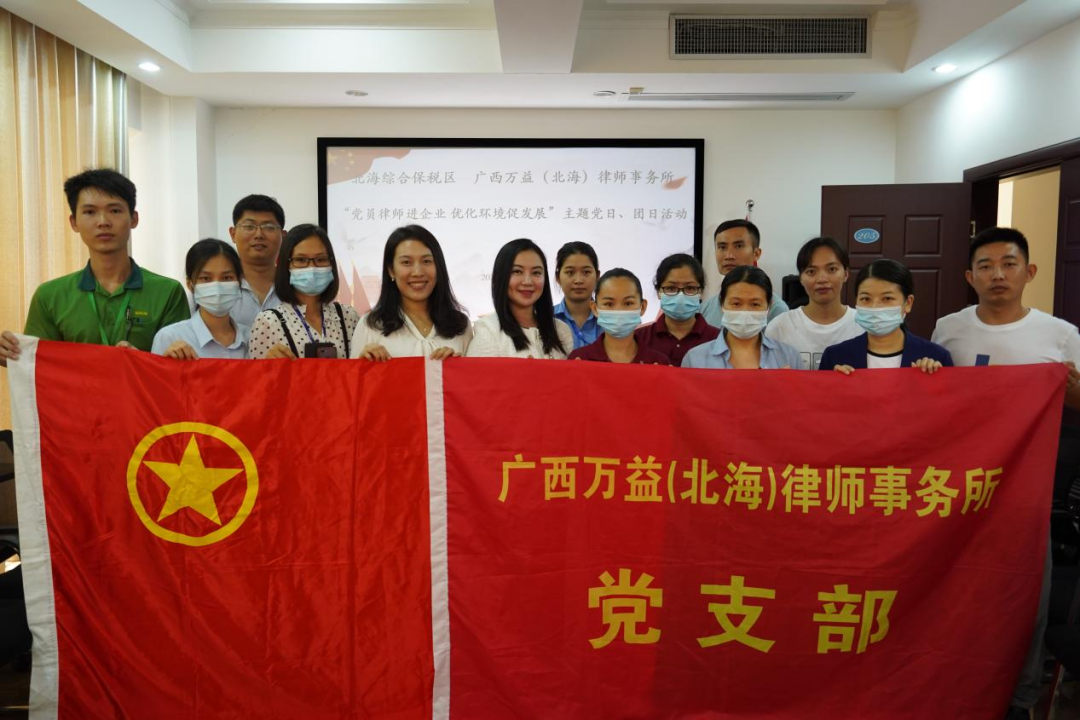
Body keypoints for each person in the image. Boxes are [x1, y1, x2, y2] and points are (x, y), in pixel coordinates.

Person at [931, 228, 1080, 720]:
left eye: (1009, 263)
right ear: (969, 276)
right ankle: (952, 679)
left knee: (1025, 591)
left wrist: (1068, 389)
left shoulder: (1060, 335)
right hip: (958, 486)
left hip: (1025, 488)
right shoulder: (948, 329)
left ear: (1029, 272)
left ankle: (1020, 698)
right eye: (986, 265)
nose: (998, 274)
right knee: (955, 585)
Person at [0, 168, 188, 365]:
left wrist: (139, 361)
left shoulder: (168, 292)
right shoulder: (50, 296)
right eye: (90, 212)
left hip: (143, 387)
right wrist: (12, 356)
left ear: (134, 219)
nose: (103, 222)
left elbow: (178, 368)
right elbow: (39, 367)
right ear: (74, 222)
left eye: (115, 211)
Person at [352, 225, 472, 361]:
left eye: (426, 261)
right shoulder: (371, 325)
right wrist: (363, 364)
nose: (418, 272)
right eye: (406, 262)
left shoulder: (461, 326)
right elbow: (353, 375)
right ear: (391, 270)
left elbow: (474, 374)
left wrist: (455, 366)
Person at [819, 259, 952, 374]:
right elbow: (822, 395)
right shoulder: (835, 357)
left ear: (908, 303)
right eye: (866, 299)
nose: (874, 307)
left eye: (887, 298)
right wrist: (835, 384)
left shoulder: (936, 357)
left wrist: (934, 378)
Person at [248, 224, 359, 359]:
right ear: (286, 265)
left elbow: (360, 368)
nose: (312, 267)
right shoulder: (268, 321)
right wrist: (269, 365)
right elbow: (257, 372)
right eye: (301, 260)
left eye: (320, 259)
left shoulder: (348, 316)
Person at [764, 236, 862, 370]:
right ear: (801, 278)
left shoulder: (862, 325)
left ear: (846, 274)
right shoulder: (779, 327)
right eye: (811, 271)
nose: (822, 279)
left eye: (832, 269)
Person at [466, 238, 573, 359]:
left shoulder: (561, 330)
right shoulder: (488, 330)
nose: (527, 281)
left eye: (536, 273)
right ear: (501, 276)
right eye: (517, 271)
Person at [682, 266, 801, 370]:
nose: (745, 311)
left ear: (769, 306)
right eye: (736, 303)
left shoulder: (789, 357)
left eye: (755, 304)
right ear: (722, 304)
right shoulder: (695, 359)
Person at [151, 239, 250, 360]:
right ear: (190, 285)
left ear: (239, 281)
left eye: (227, 277)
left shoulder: (251, 338)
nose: (217, 286)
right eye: (206, 278)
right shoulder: (170, 338)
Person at [568, 268, 669, 365]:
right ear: (595, 309)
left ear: (642, 307)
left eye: (628, 303)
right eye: (609, 304)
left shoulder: (659, 363)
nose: (619, 310)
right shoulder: (580, 359)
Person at [701, 219, 789, 329]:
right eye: (722, 247)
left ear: (756, 253)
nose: (729, 256)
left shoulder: (777, 310)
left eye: (738, 246)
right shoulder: (704, 309)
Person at [636, 254, 720, 367]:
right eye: (671, 288)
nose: (680, 296)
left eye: (690, 288)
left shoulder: (718, 339)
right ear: (658, 292)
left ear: (701, 292)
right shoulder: (638, 339)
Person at [228, 194, 285, 328]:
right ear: (233, 234)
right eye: (249, 226)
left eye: (269, 227)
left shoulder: (297, 287)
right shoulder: (217, 287)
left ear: (283, 236)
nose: (259, 235)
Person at [553, 241, 600, 350]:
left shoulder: (610, 320)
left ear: (597, 276)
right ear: (558, 277)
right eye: (570, 272)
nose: (578, 280)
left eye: (586, 272)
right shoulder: (544, 319)